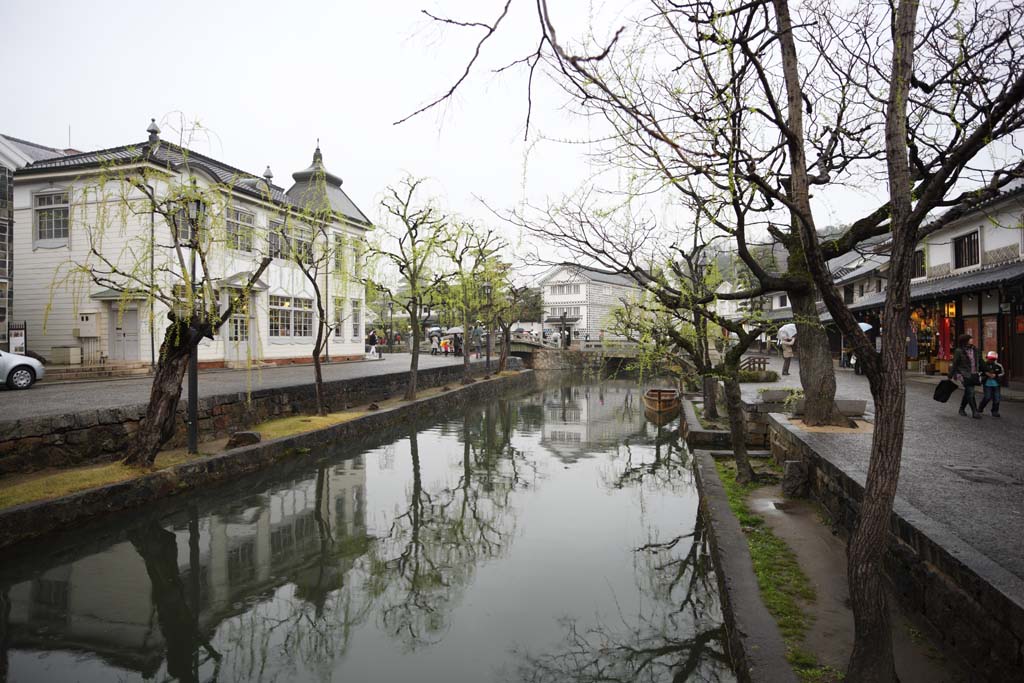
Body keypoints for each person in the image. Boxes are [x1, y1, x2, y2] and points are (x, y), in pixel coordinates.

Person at [949, 333, 981, 418]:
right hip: (964, 374)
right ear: (965, 341)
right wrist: (951, 375)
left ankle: (961, 409)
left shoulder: (975, 349)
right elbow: (955, 364)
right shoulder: (959, 351)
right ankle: (975, 411)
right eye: (970, 339)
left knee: (968, 392)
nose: (972, 340)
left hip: (973, 374)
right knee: (971, 391)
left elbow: (980, 361)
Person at [978, 350, 1004, 417]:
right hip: (987, 384)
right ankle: (980, 408)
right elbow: (979, 373)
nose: (990, 360)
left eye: (992, 359)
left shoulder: (999, 366)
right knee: (987, 397)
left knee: (997, 398)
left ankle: (995, 411)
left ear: (995, 359)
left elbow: (1002, 373)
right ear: (987, 358)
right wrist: (986, 374)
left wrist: (996, 375)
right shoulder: (983, 365)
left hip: (996, 384)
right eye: (989, 359)